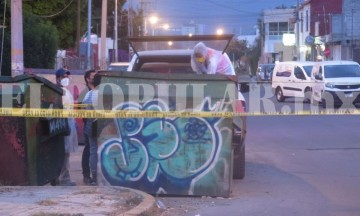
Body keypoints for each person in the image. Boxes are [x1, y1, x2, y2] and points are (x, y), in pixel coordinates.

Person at [55, 68, 78, 186]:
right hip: (64, 124)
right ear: (58, 78)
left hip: (69, 122)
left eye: (67, 76)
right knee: (64, 152)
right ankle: (64, 178)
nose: (66, 79)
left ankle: (60, 177)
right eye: (64, 76)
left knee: (66, 152)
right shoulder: (58, 92)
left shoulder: (65, 91)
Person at [78, 69, 97, 185]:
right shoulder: (85, 93)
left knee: (92, 150)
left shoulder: (94, 92)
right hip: (89, 125)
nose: (95, 78)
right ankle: (86, 174)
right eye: (93, 76)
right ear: (87, 79)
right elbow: (82, 111)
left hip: (92, 125)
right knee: (89, 150)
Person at [82, 73, 101, 185]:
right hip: (101, 126)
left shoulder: (88, 95)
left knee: (93, 151)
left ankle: (94, 176)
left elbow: (84, 111)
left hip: (90, 125)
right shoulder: (101, 94)